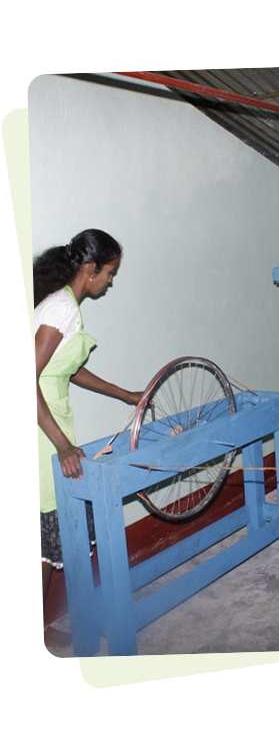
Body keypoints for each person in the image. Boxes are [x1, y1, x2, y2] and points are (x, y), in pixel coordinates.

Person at [36, 229, 143, 611]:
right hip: (40, 427)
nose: (111, 281)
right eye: (110, 273)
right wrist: (62, 444)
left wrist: (126, 394)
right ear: (91, 268)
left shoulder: (63, 306)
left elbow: (69, 370)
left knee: (47, 542)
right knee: (44, 540)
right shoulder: (61, 308)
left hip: (47, 418)